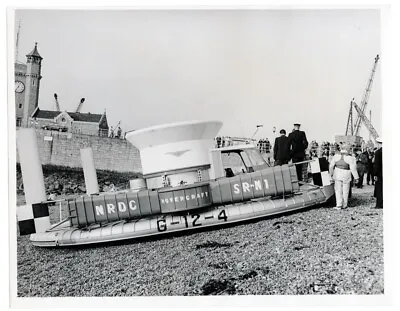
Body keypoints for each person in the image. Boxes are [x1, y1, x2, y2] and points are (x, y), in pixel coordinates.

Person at [329, 143, 359, 210]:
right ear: (347, 149)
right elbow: (353, 169)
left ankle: (338, 205)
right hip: (346, 174)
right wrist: (356, 177)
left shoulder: (336, 156)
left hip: (337, 174)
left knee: (338, 190)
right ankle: (345, 204)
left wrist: (330, 175)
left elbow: (331, 166)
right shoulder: (350, 158)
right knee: (346, 190)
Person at [373, 137, 383, 209]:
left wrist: (375, 174)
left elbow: (377, 165)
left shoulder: (378, 152)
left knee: (379, 189)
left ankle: (379, 204)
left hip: (380, 174)